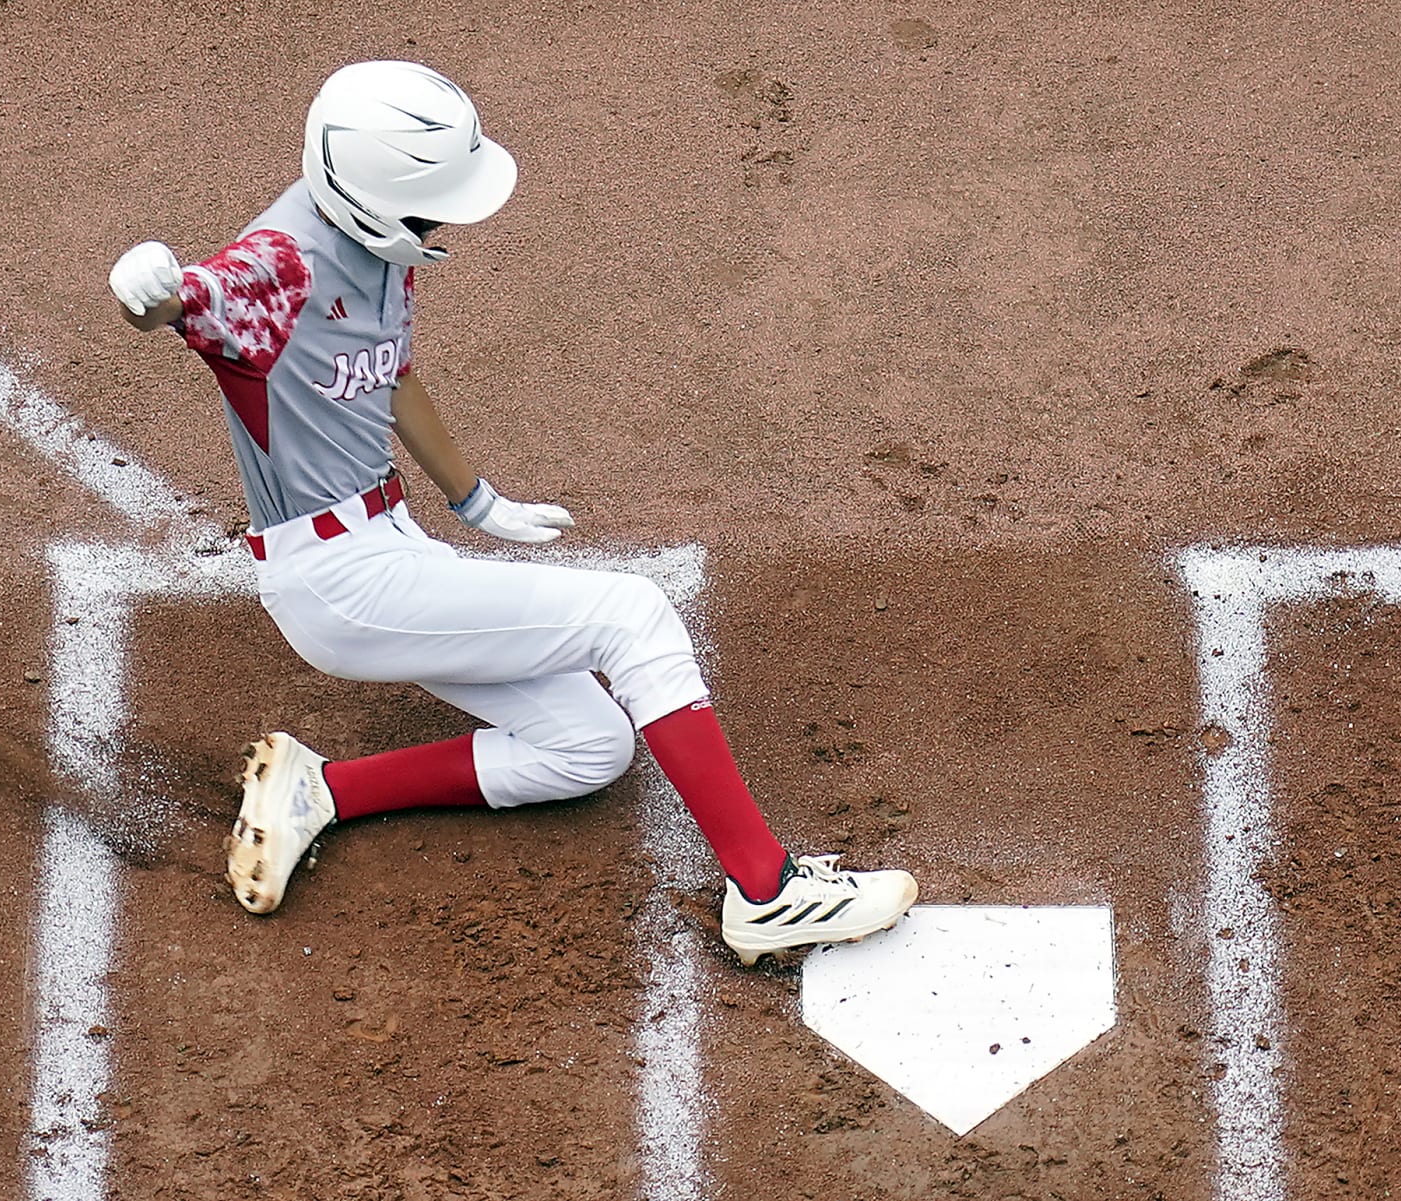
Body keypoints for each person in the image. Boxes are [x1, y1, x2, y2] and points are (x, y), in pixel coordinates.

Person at [107, 60, 917, 966]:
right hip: (338, 581)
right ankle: (767, 893)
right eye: (432, 204)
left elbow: (393, 372)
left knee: (588, 747)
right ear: (371, 195)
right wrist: (155, 291)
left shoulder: (379, 249)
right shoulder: (277, 269)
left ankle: (320, 790)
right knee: (634, 615)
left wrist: (474, 497)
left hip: (389, 545)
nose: (447, 221)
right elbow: (194, 298)